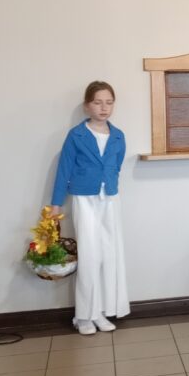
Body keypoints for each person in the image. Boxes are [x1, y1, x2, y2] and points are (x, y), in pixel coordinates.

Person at [50, 81, 130, 335]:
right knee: (89, 255)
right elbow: (64, 170)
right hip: (85, 198)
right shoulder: (77, 135)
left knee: (109, 255)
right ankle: (84, 315)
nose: (104, 107)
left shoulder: (118, 135)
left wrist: (109, 184)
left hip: (110, 199)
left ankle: (102, 311)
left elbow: (116, 166)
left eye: (109, 102)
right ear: (87, 106)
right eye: (97, 102)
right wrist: (55, 204)